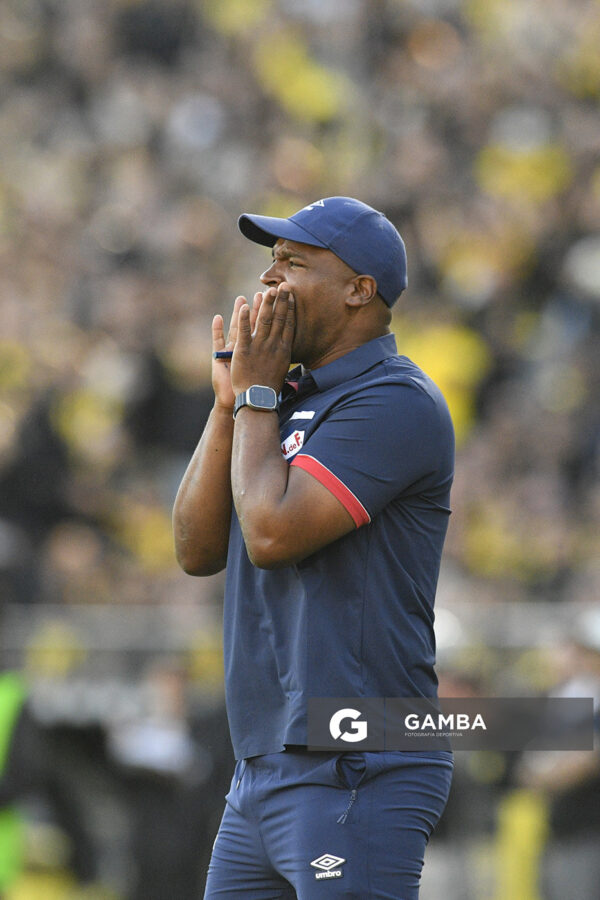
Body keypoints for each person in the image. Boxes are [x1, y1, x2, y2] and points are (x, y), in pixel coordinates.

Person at [173, 196, 455, 899]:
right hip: (263, 764)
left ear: (360, 291)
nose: (269, 281)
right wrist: (227, 404)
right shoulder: (277, 400)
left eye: (294, 264)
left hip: (355, 758)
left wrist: (257, 400)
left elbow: (270, 534)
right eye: (270, 264)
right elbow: (195, 548)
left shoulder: (396, 401)